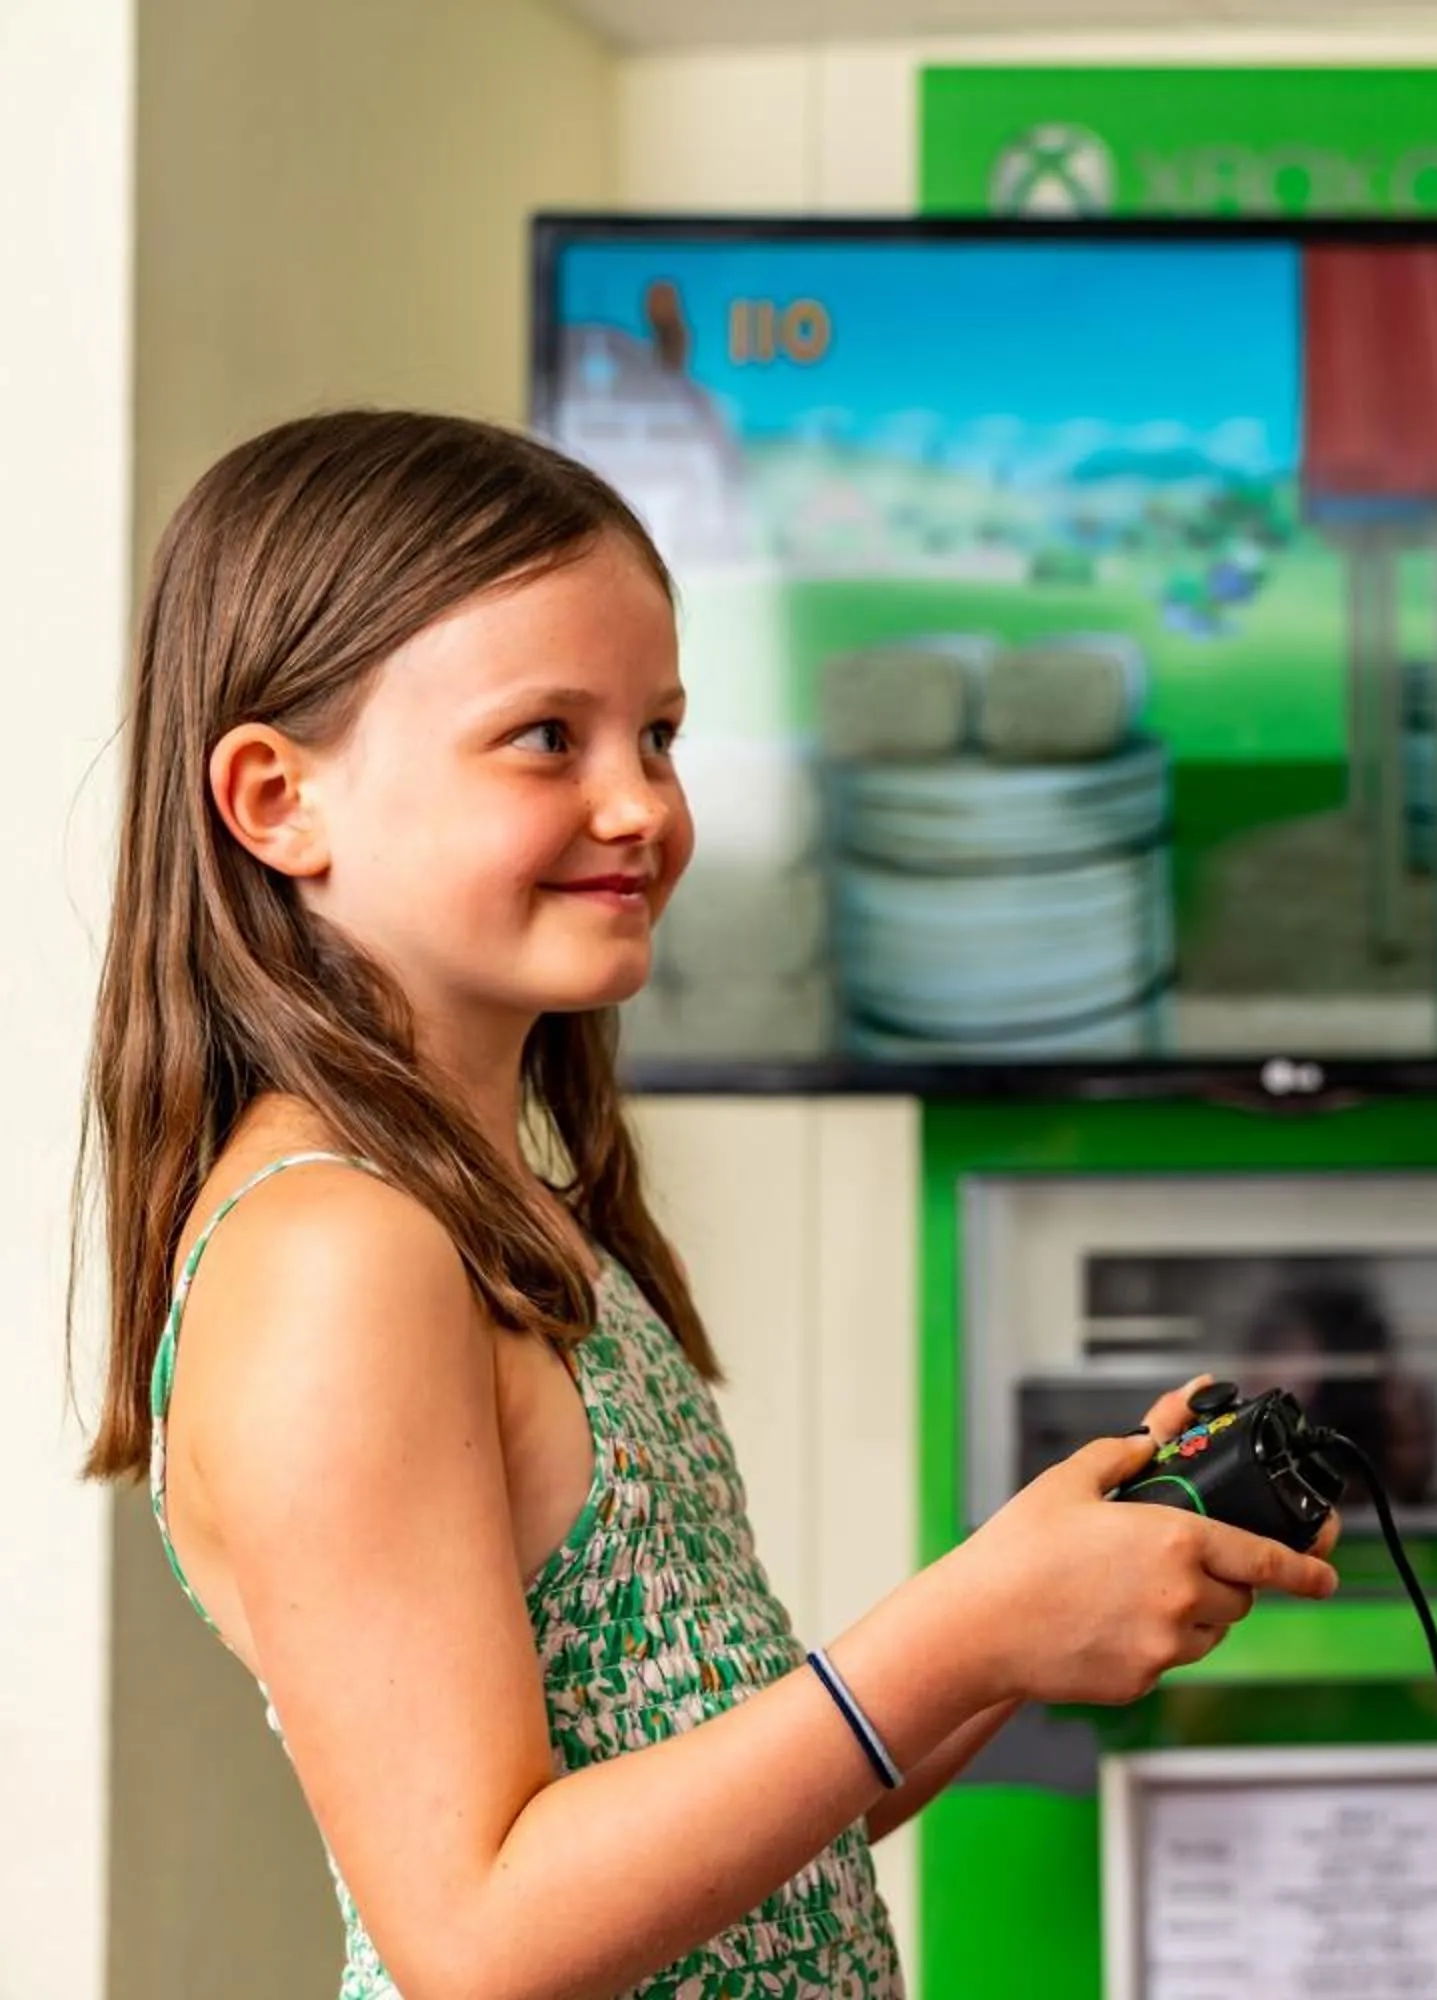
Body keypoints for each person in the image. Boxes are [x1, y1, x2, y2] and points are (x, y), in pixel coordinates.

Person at [73, 409, 1337, 1999]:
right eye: (549, 737)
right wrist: (955, 1633)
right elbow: (479, 1937)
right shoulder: (339, 1254)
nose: (644, 808)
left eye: (659, 737)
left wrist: (1027, 1620)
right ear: (277, 801)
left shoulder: (511, 1214)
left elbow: (739, 1838)